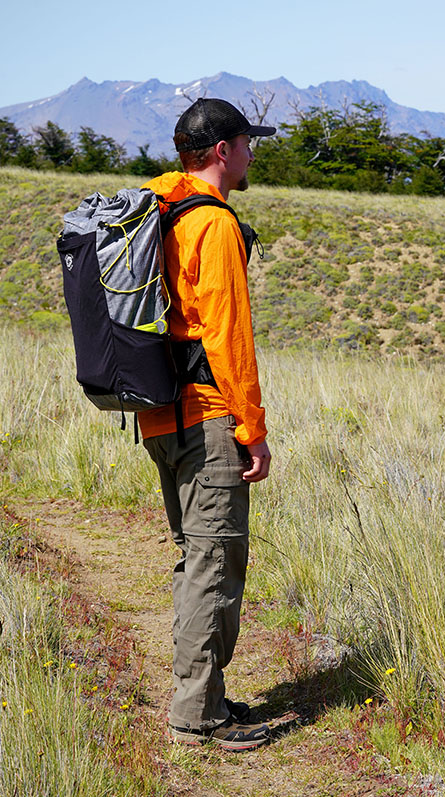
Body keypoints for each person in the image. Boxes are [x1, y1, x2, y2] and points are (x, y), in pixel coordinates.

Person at [138, 98, 275, 751]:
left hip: (158, 414)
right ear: (223, 149)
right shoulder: (213, 224)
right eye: (248, 143)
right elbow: (228, 335)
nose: (252, 154)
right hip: (208, 417)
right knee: (214, 563)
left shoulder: (160, 208)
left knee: (196, 560)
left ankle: (206, 693)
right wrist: (253, 426)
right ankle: (196, 717)